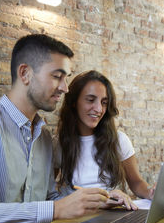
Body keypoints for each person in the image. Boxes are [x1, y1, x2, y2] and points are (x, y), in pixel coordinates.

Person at [0, 34, 111, 223]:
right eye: (57, 77)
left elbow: (50, 198)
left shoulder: (42, 136)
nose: (65, 88)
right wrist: (54, 209)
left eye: (66, 78)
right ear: (25, 74)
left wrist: (98, 199)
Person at [54, 70, 154, 210]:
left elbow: (136, 183)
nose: (99, 109)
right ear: (74, 102)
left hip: (112, 216)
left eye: (104, 102)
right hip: (75, 220)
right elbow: (50, 191)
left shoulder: (119, 140)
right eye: (90, 100)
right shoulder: (60, 144)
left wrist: (151, 193)